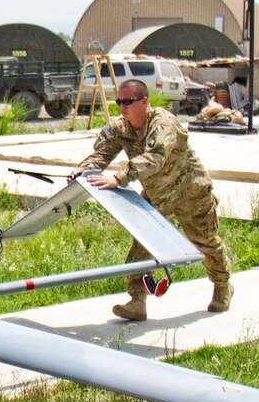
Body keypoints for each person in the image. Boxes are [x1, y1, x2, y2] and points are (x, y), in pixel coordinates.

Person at [72, 79, 232, 321]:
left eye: (128, 101)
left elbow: (155, 157)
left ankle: (222, 286)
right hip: (158, 196)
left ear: (144, 101)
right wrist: (83, 172)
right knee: (141, 246)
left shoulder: (163, 123)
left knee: (206, 242)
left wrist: (120, 177)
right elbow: (101, 154)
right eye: (119, 102)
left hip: (191, 192)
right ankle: (137, 301)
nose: (122, 107)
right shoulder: (120, 127)